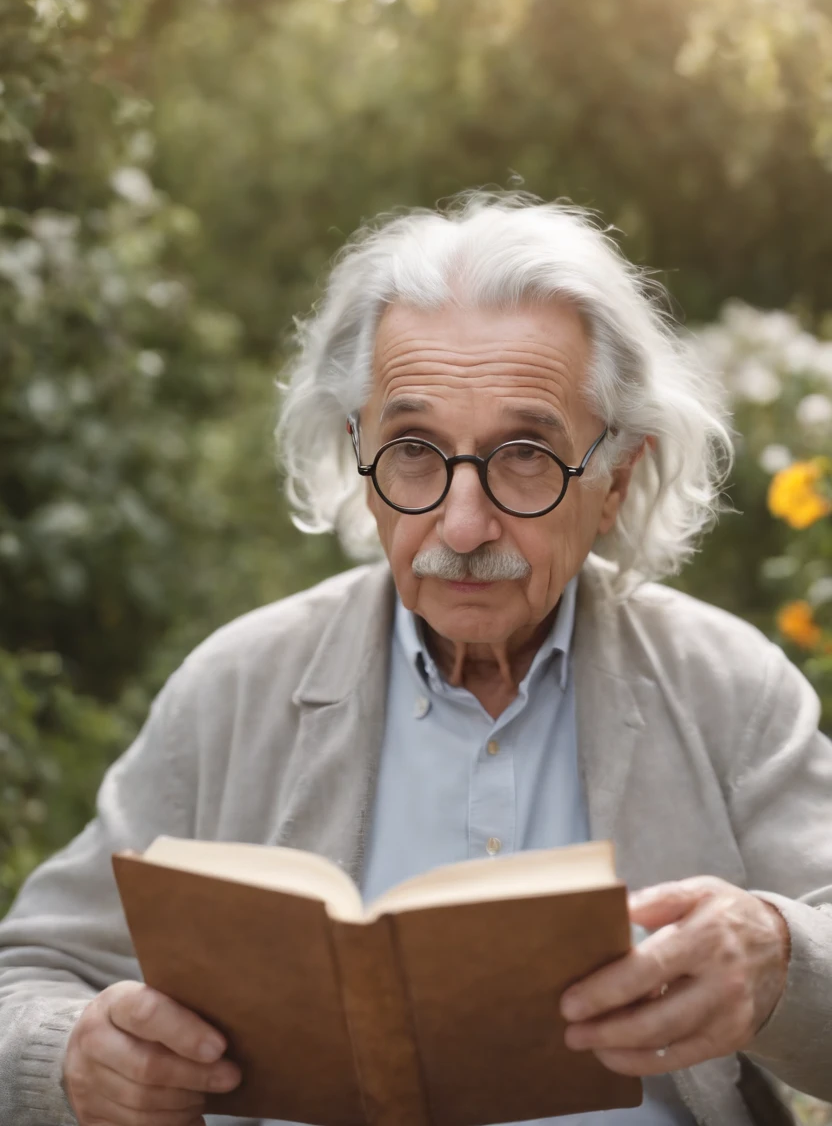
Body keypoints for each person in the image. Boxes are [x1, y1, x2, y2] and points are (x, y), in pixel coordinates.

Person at [1, 192, 830, 1126]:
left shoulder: (727, 687)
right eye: (413, 452)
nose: (463, 524)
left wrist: (779, 956)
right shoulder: (238, 686)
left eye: (524, 455)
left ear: (616, 477)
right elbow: (29, 972)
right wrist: (72, 1057)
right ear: (360, 457)